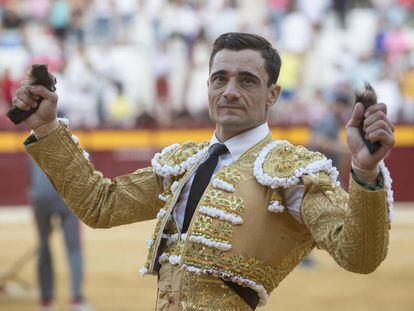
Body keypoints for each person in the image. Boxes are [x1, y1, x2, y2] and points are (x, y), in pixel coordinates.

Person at [12, 33, 395, 310]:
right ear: (208, 86)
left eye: (247, 81)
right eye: (220, 78)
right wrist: (45, 129)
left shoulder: (292, 173)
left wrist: (364, 173)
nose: (230, 91)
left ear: (272, 95)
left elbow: (358, 256)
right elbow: (101, 205)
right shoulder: (184, 164)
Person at [29, 159, 92, 311]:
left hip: (41, 197)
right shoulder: (69, 139)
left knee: (44, 246)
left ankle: (46, 302)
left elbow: (32, 176)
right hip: (67, 196)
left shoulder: (32, 140)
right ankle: (76, 299)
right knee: (74, 248)